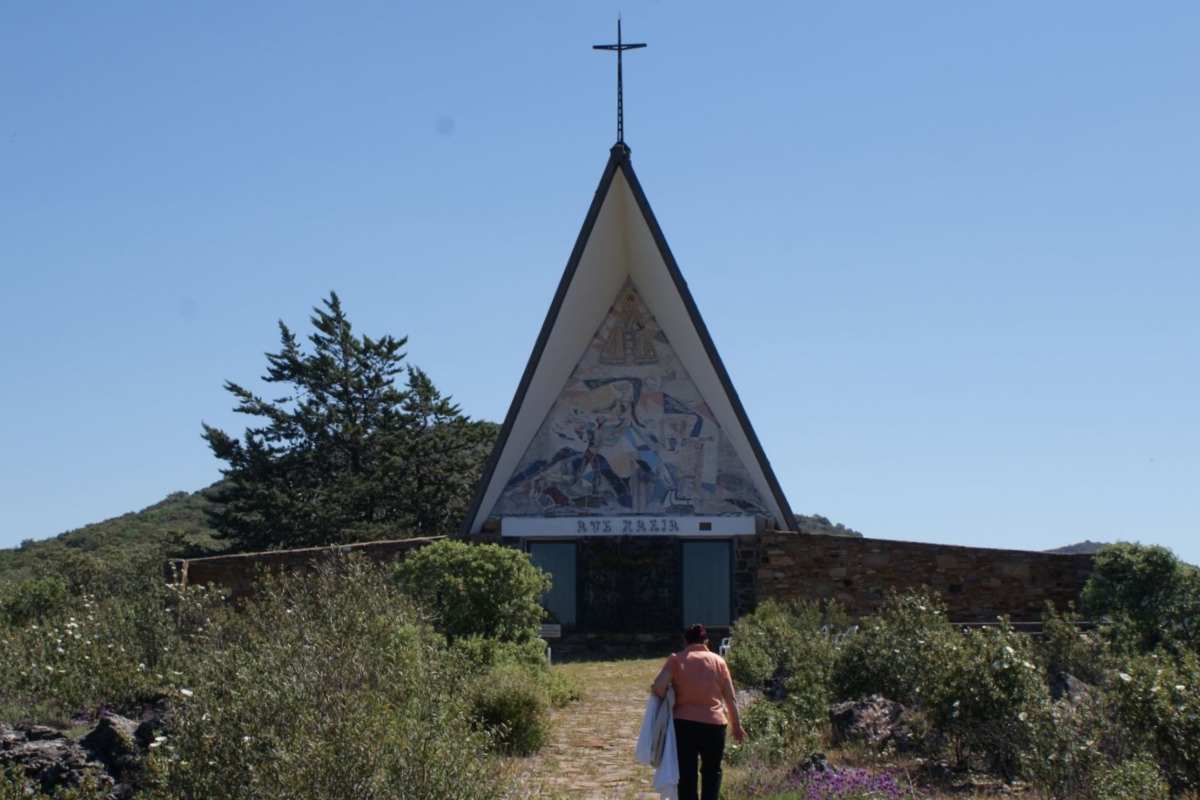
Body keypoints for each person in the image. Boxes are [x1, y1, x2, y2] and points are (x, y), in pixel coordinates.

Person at [651, 623, 746, 800]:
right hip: (714, 726)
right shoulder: (719, 662)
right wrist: (737, 727)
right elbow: (730, 698)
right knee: (712, 772)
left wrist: (670, 694)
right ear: (706, 641)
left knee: (687, 774)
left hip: (684, 725)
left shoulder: (676, 660)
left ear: (685, 641)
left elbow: (658, 687)